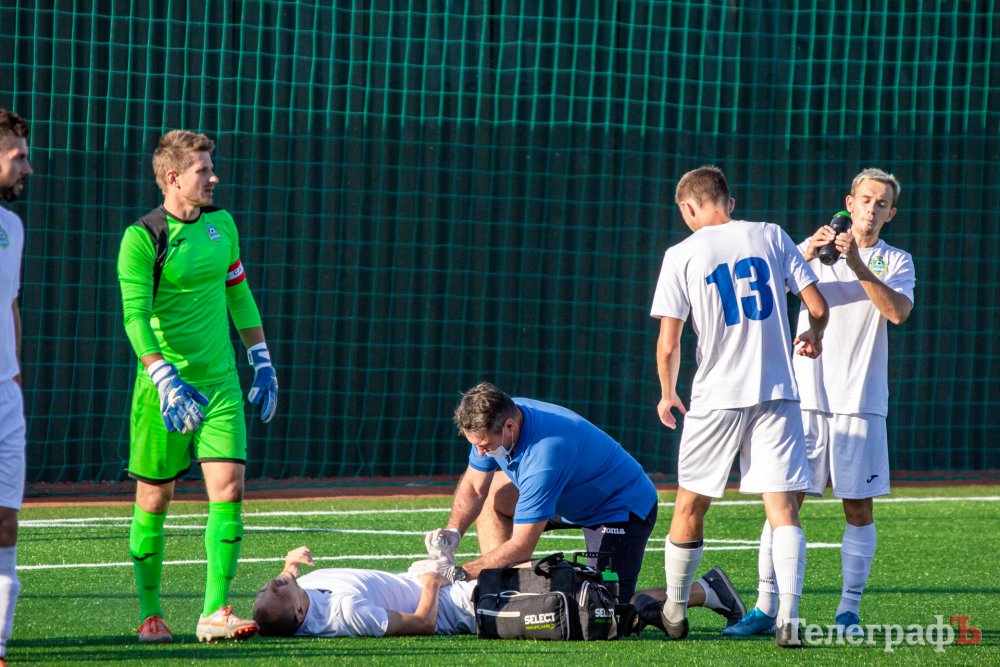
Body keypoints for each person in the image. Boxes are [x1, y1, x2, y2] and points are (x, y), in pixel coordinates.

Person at [729, 168, 914, 639]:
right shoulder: (806, 251)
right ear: (849, 204)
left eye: (881, 204)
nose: (871, 210)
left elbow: (897, 312)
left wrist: (858, 265)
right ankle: (765, 606)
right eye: (865, 200)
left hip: (861, 402)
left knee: (858, 509)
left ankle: (848, 610)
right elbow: (760, 295)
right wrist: (807, 252)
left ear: (891, 214)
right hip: (803, 400)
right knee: (784, 503)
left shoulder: (896, 260)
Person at [649, 165, 828, 647]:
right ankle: (789, 619)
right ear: (729, 202)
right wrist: (814, 335)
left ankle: (675, 611)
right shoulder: (771, 234)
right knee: (783, 507)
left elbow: (669, 343)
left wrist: (667, 392)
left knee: (691, 504)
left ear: (688, 208)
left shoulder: (681, 254)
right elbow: (817, 306)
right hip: (777, 391)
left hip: (716, 395)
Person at [117, 130, 279, 644]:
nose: (214, 177)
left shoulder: (222, 225)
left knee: (230, 490)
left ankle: (214, 611)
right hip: (162, 391)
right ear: (173, 178)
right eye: (202, 170)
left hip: (221, 384)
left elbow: (239, 294)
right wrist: (164, 378)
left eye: (211, 167)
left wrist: (261, 360)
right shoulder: (142, 237)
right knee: (154, 498)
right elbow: (135, 317)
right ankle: (150, 615)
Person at [421, 381, 660, 606]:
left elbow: (522, 545)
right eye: (476, 445)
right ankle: (500, 590)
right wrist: (454, 531)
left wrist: (459, 573)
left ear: (509, 427)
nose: (480, 452)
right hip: (568, 495)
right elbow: (474, 487)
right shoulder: (501, 416)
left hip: (618, 508)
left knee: (604, 607)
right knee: (495, 495)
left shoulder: (545, 457)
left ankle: (681, 598)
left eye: (485, 445)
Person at [252, 546, 477, 637]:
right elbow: (424, 624)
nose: (272, 584)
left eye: (263, 589)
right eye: (277, 591)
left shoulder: (298, 596)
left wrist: (289, 568)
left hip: (420, 582)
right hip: (457, 604)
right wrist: (432, 581)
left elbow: (278, 597)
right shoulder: (345, 612)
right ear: (300, 612)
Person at [0, 109, 32, 667]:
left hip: (5, 395)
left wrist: (16, 377)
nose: (28, 167)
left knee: (6, 523)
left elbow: (11, 305)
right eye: (18, 157)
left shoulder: (14, 227)